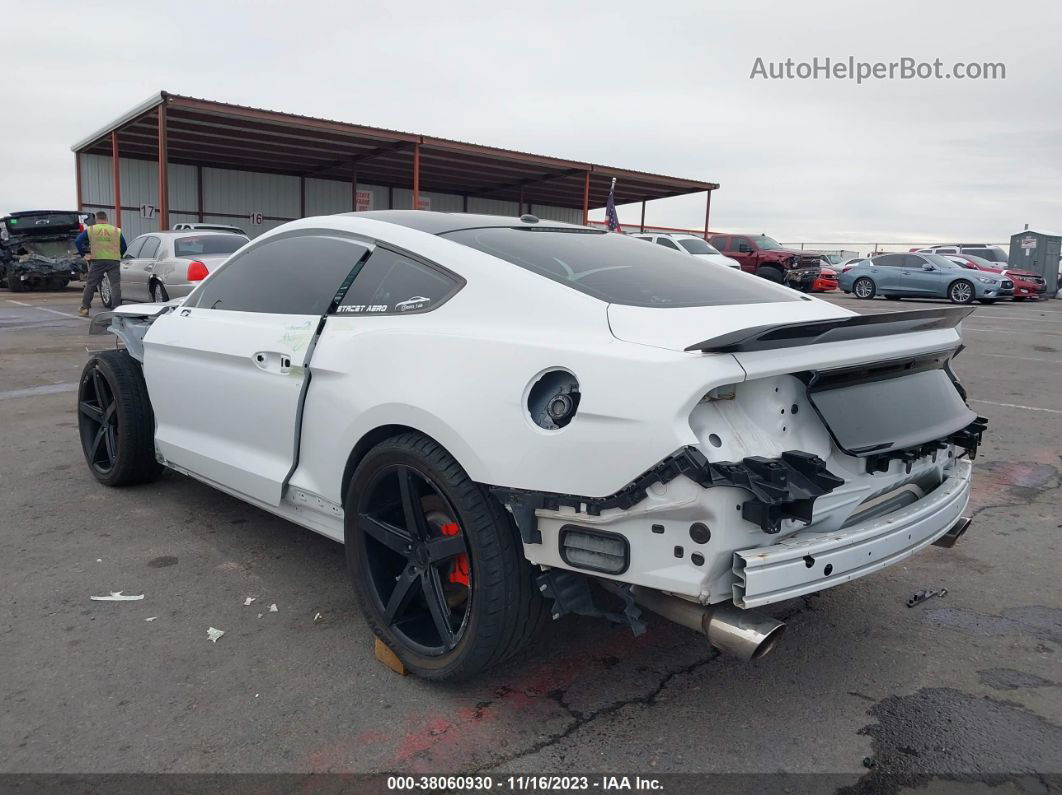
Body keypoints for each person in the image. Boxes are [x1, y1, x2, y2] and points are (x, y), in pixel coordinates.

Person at [75, 210, 126, 316]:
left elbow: (78, 241)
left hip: (97, 261)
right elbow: (124, 247)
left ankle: (85, 309)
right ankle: (116, 309)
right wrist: (119, 255)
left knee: (91, 285)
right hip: (114, 261)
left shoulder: (91, 229)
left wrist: (83, 255)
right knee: (115, 285)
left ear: (96, 220)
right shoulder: (116, 230)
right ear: (106, 219)